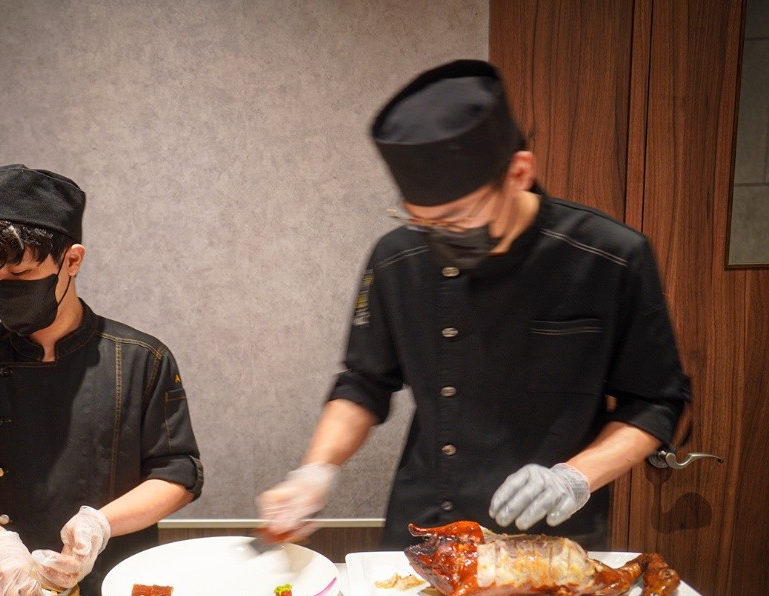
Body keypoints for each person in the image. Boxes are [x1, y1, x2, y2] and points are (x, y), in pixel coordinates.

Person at [257, 60, 689, 552]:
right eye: (421, 222)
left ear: (519, 173)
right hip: (424, 523)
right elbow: (363, 382)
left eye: (457, 219)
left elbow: (655, 400)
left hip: (552, 530)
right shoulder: (398, 257)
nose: (438, 238)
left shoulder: (611, 256)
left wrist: (575, 477)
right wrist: (316, 470)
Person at [0, 164, 202, 596]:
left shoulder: (142, 358)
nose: (4, 290)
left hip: (120, 589)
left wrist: (99, 525)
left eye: (22, 276)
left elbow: (178, 474)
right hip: (7, 593)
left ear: (72, 260)